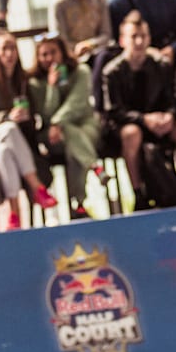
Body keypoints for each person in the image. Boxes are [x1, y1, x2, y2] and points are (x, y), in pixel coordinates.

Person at [99, 12, 176, 210]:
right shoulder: (112, 72)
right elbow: (113, 111)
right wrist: (144, 120)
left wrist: (168, 116)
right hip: (129, 126)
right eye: (134, 36)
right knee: (131, 133)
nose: (139, 41)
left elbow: (173, 98)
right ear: (122, 40)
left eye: (143, 36)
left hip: (159, 122)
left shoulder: (160, 65)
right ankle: (138, 193)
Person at [0, 31, 59, 229]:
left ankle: (14, 214)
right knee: (8, 129)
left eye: (12, 48)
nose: (9, 53)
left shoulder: (25, 82)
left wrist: (28, 119)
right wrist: (7, 117)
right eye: (4, 48)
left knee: (5, 150)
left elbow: (41, 115)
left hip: (17, 147)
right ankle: (37, 187)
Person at [30, 33, 106, 219]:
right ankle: (94, 166)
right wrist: (52, 88)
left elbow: (77, 103)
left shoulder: (81, 72)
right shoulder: (35, 83)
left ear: (63, 52)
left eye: (53, 53)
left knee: (74, 146)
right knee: (70, 135)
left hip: (85, 126)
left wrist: (58, 122)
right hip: (52, 136)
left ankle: (78, 204)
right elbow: (45, 115)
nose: (49, 58)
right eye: (44, 54)